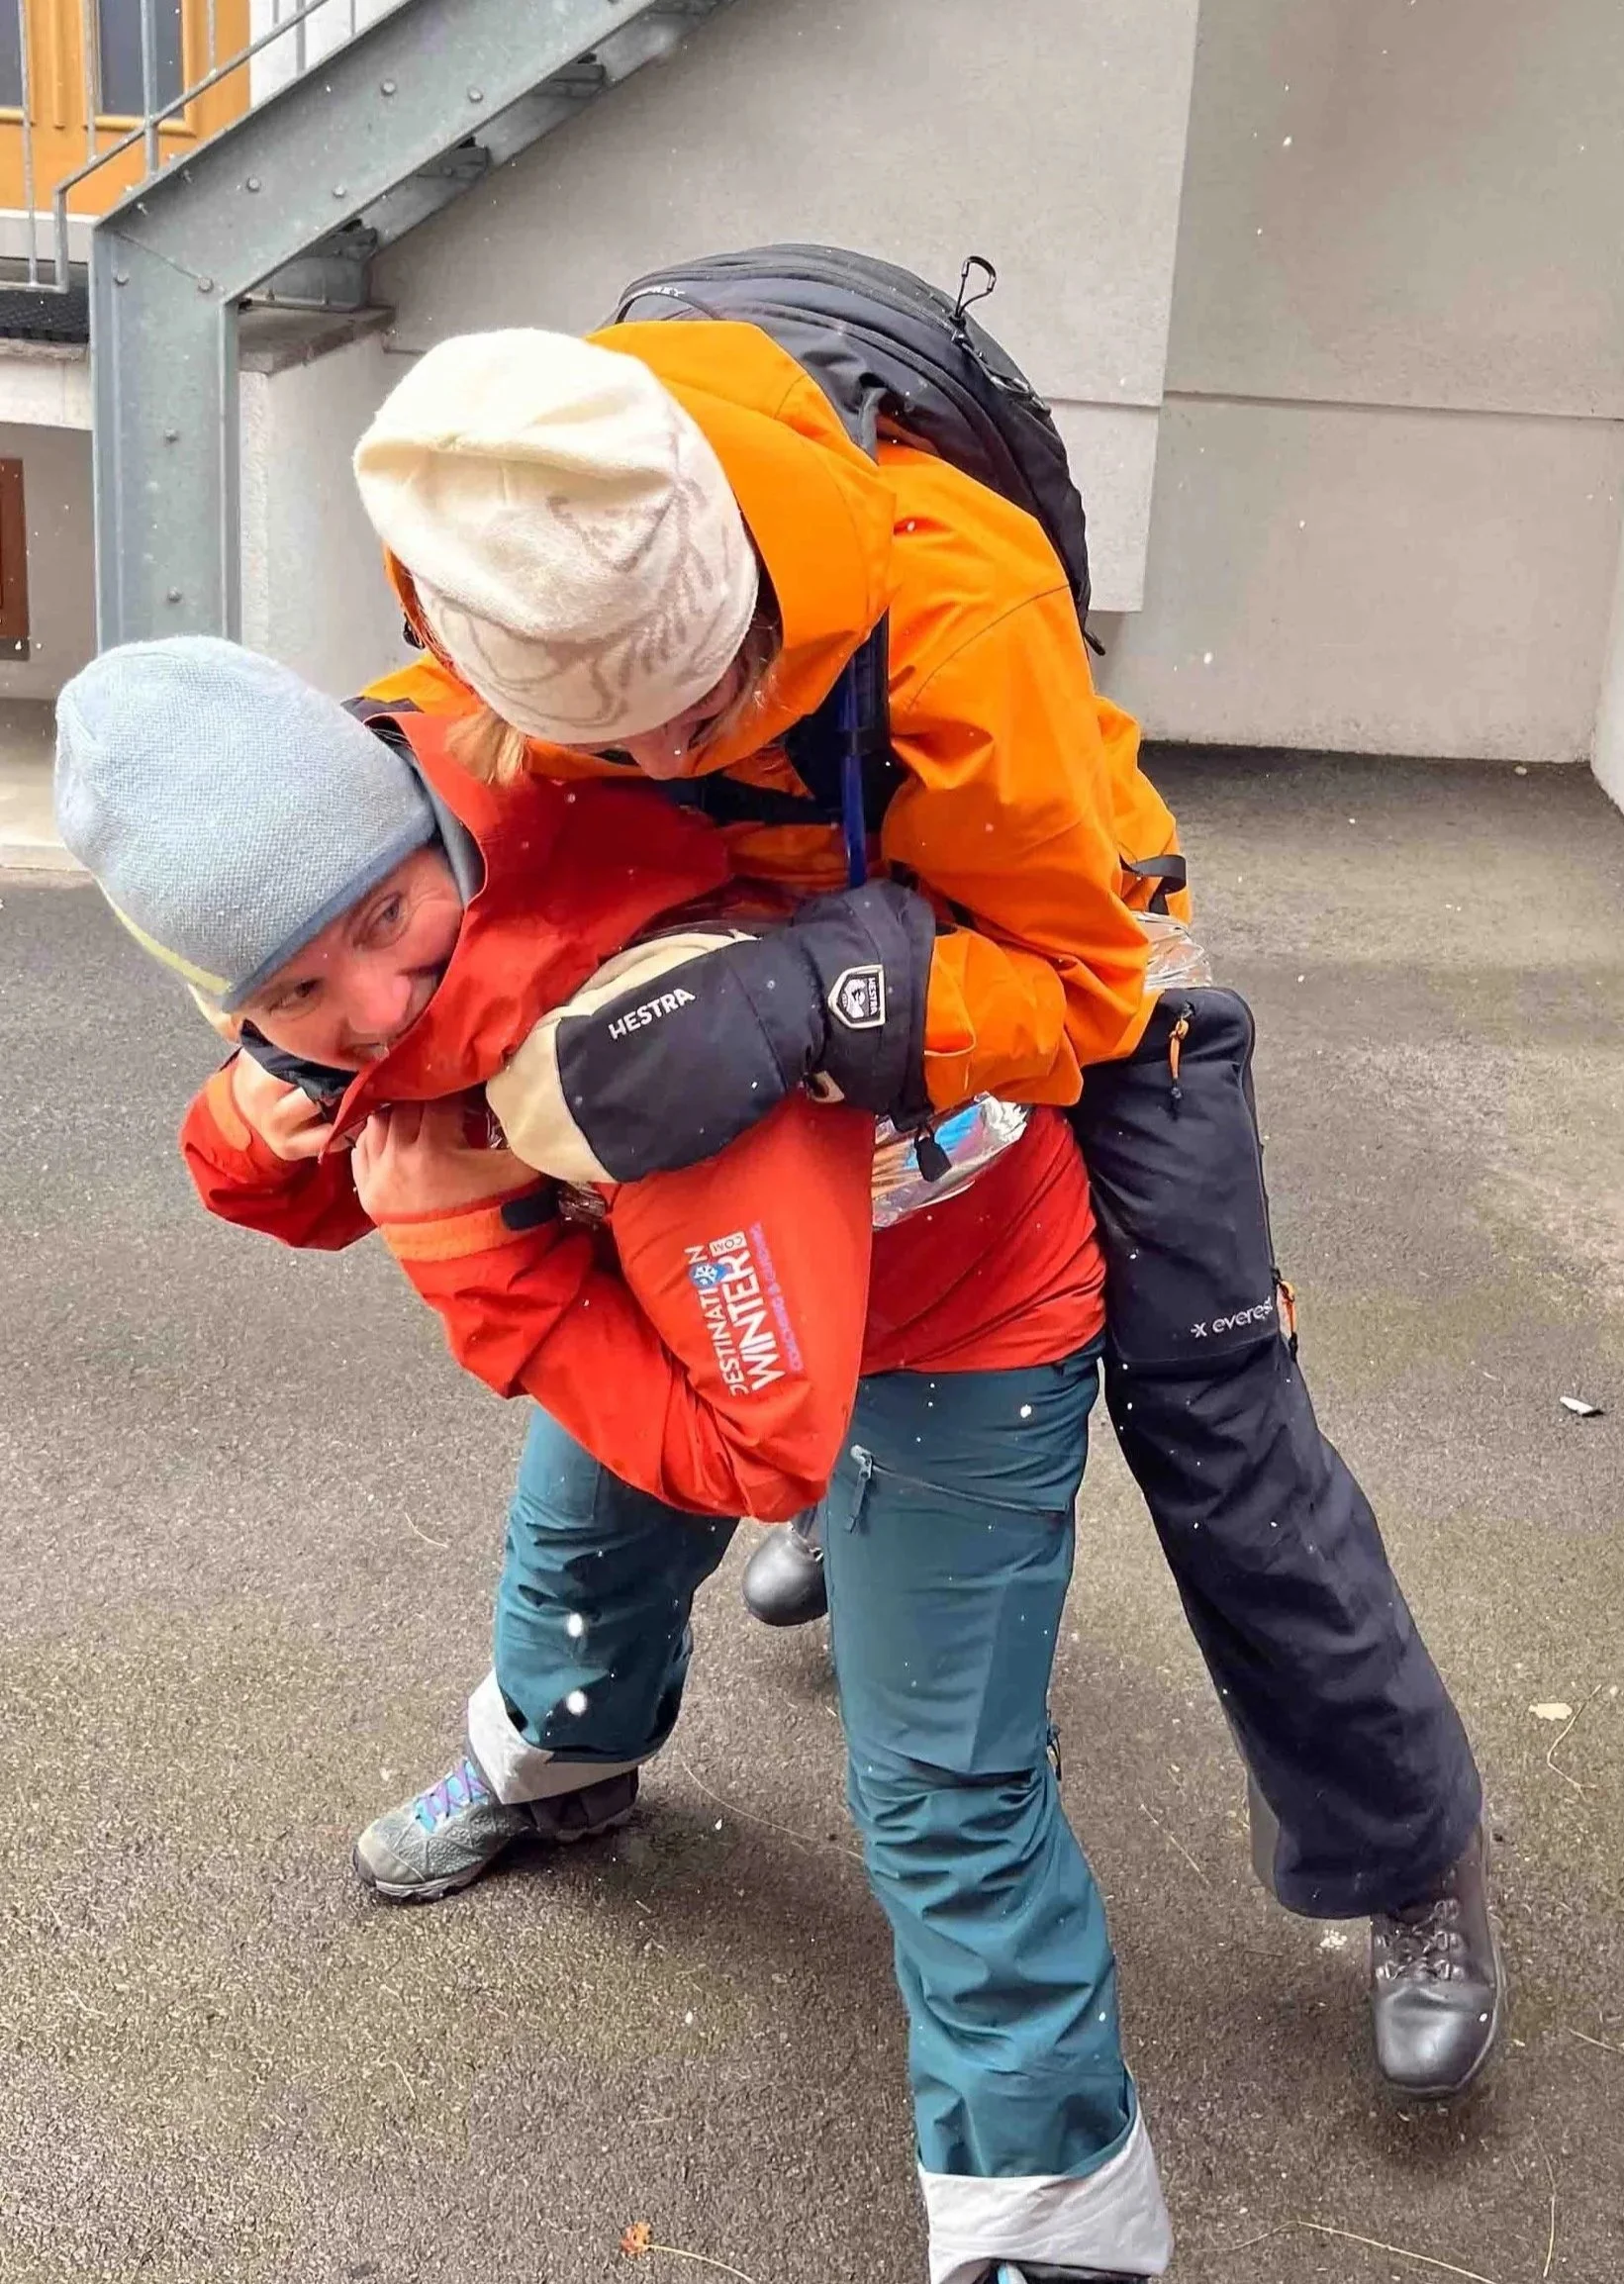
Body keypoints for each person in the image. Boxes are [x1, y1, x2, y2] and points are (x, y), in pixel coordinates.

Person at [347, 313, 1503, 2106]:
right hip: (746, 997)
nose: (666, 748)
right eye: (614, 729)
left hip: (1052, 956)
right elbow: (436, 805)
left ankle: (1406, 1842)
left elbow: (1087, 995)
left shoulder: (955, 611)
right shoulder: (501, 558)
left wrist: (833, 998)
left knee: (1214, 1415)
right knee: (662, 1344)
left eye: (702, 705)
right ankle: (564, 1744)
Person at [57, 634, 1176, 2284]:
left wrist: (469, 1250)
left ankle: (1072, 2270)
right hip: (689, 1270)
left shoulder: (620, 984)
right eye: (291, 983)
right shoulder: (401, 849)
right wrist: (258, 1129)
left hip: (957, 1308)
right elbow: (337, 1104)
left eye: (381, 917)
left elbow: (756, 1441)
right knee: (584, 1537)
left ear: (432, 820)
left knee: (944, 1789)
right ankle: (566, 1756)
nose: (370, 987)